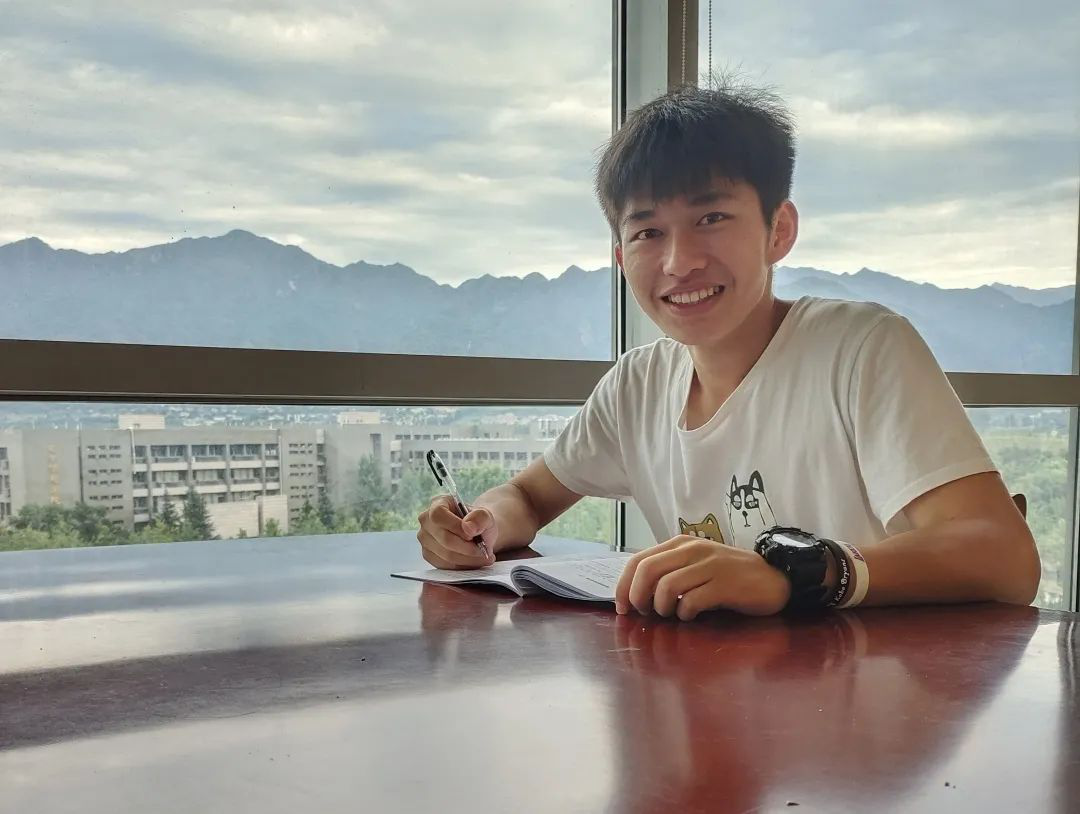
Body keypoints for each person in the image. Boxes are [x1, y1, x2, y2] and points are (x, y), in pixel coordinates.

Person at [415, 81, 1041, 620]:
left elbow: (1004, 556)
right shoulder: (638, 384)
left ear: (779, 230)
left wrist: (799, 574)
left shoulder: (860, 349)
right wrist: (481, 526)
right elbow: (527, 497)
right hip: (719, 698)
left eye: (711, 218)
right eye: (648, 231)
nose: (679, 261)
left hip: (870, 695)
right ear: (621, 257)